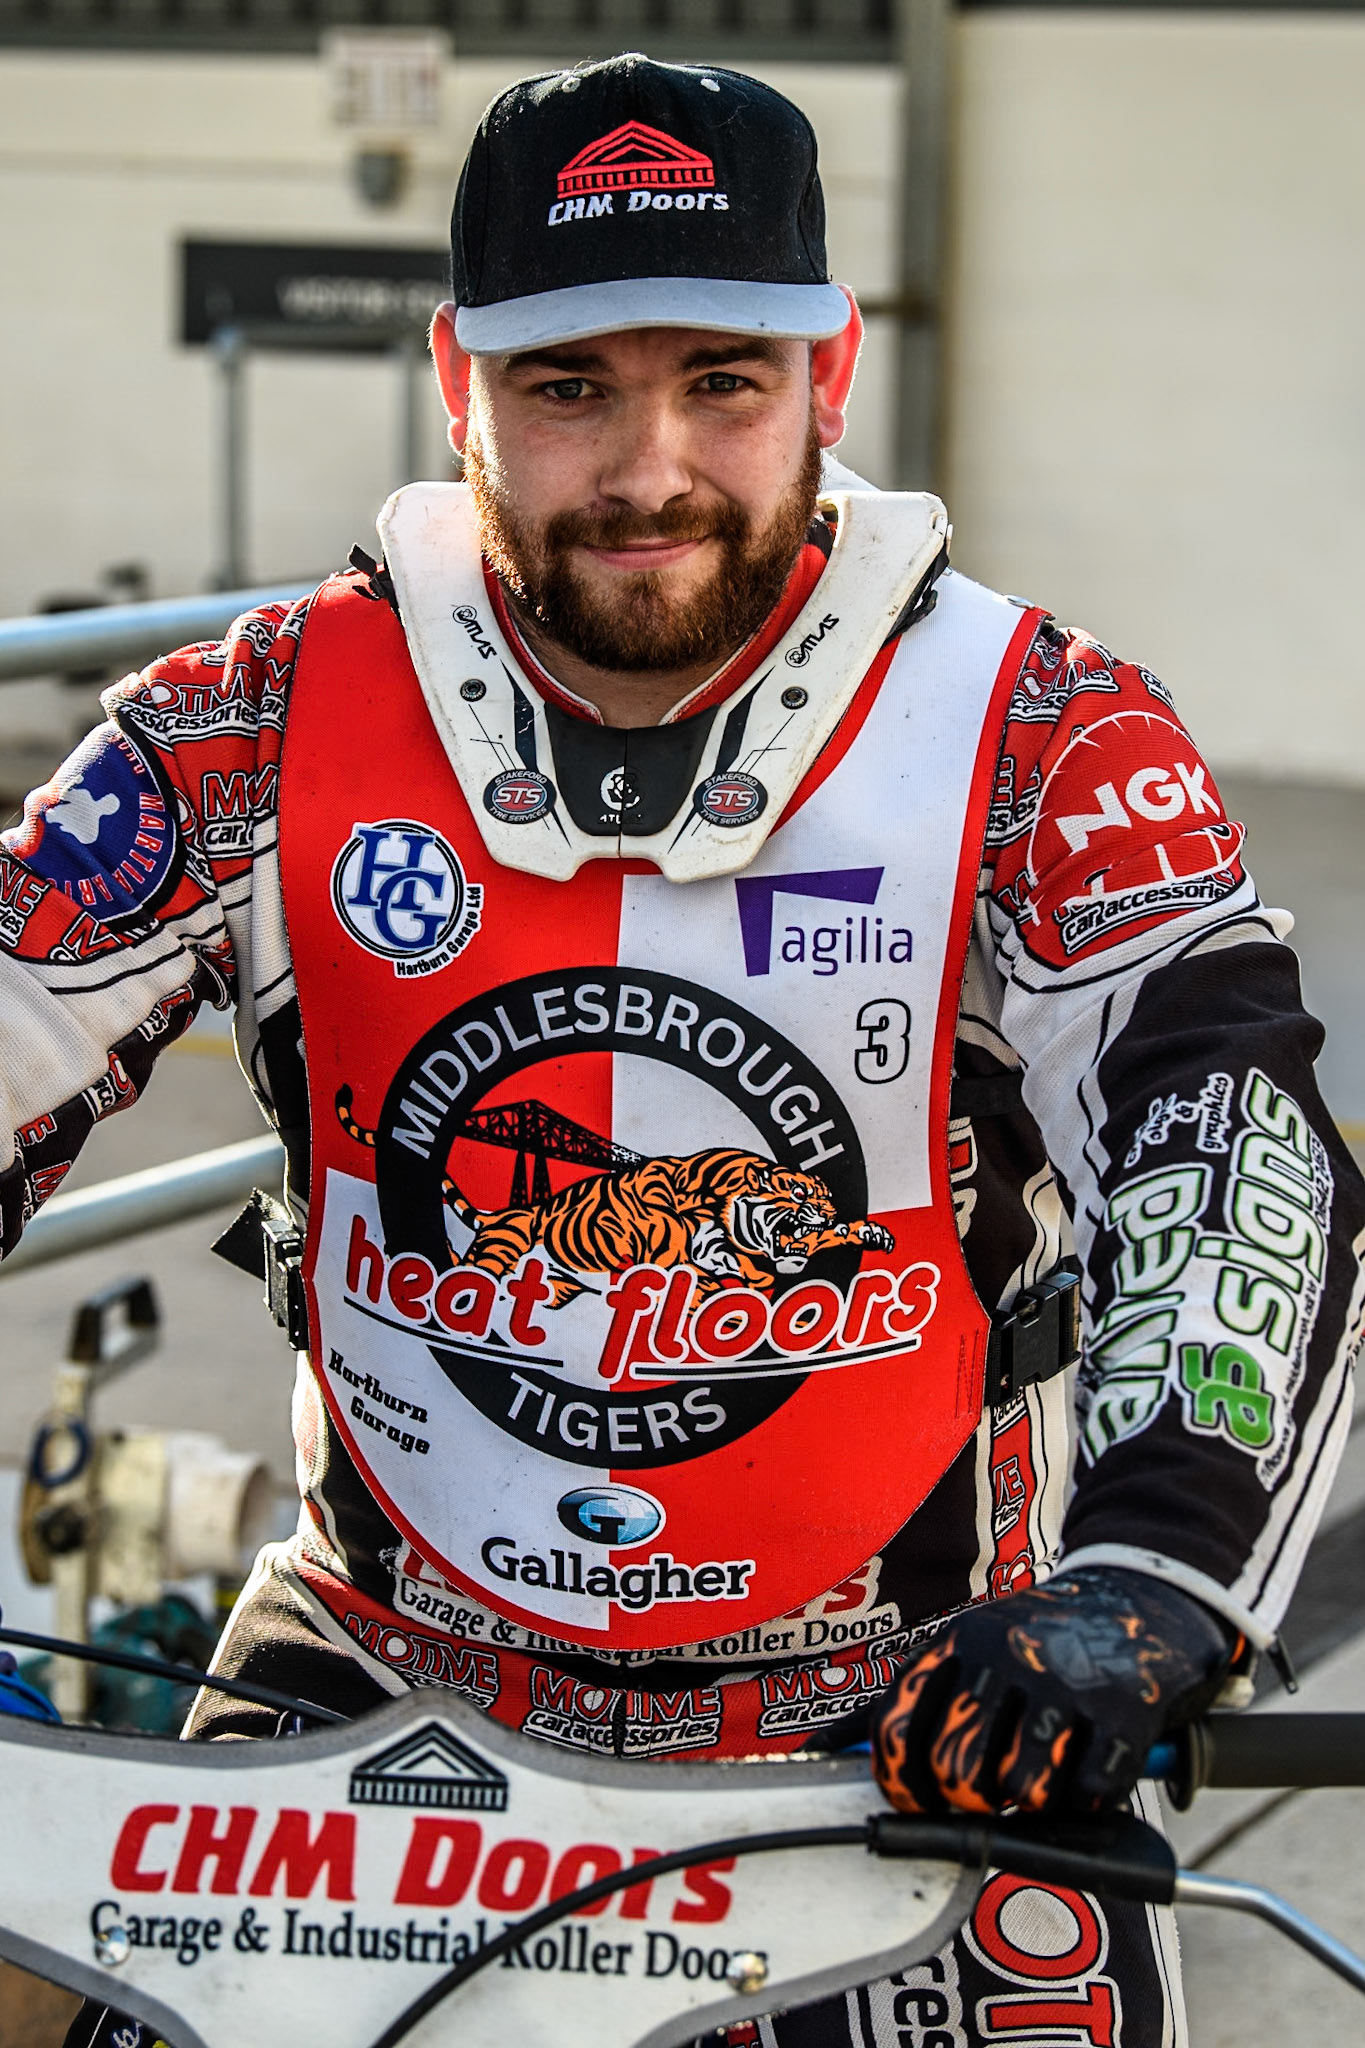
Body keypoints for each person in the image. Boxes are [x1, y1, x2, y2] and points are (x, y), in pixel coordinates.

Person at [9, 53, 1359, 2048]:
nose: (650, 469)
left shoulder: (1042, 732)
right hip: (384, 1677)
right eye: (571, 389)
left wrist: (1143, 1574)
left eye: (717, 381)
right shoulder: (242, 728)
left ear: (823, 372)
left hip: (907, 1703)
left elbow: (1221, 1122)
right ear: (458, 385)